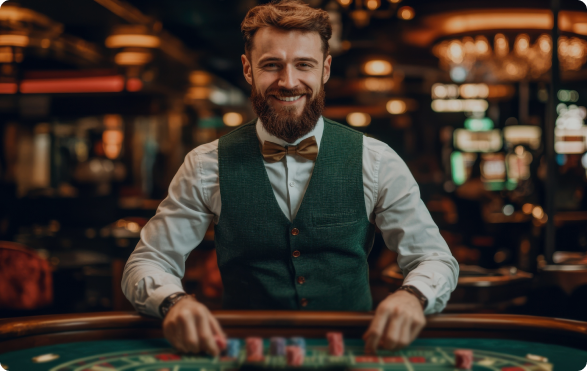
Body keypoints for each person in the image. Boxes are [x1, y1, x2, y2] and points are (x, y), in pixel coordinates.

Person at [122, 0, 458, 358]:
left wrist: (413, 297)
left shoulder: (376, 161)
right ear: (248, 69)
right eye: (271, 65)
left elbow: (435, 259)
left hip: (352, 352)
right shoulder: (205, 165)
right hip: (244, 355)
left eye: (304, 65)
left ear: (325, 69)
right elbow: (145, 263)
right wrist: (174, 302)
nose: (288, 82)